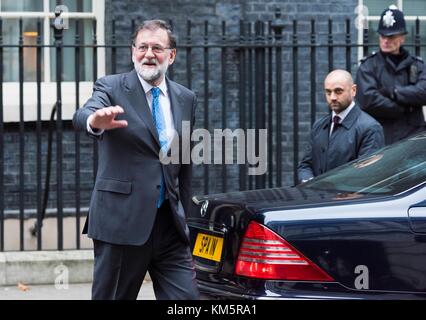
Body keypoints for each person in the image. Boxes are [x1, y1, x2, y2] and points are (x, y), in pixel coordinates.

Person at [72, 20, 199, 300]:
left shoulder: (185, 98)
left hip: (169, 227)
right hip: (121, 225)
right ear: (133, 52)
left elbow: (184, 164)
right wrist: (95, 120)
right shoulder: (112, 87)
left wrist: (185, 220)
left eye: (157, 47)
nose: (149, 54)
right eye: (142, 47)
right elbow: (84, 114)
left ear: (172, 55)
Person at [298, 69, 384, 183]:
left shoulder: (370, 128)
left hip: (346, 199)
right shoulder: (319, 125)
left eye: (338, 91)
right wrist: (309, 183)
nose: (332, 97)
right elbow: (305, 165)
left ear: (353, 90)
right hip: (318, 197)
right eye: (328, 92)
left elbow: (367, 174)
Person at [355, 5, 426, 145]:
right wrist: (406, 107)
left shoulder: (417, 65)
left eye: (391, 36)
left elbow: (424, 92)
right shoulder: (368, 65)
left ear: (402, 38)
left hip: (413, 138)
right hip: (380, 137)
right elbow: (368, 100)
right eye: (382, 35)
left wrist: (394, 92)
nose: (386, 40)